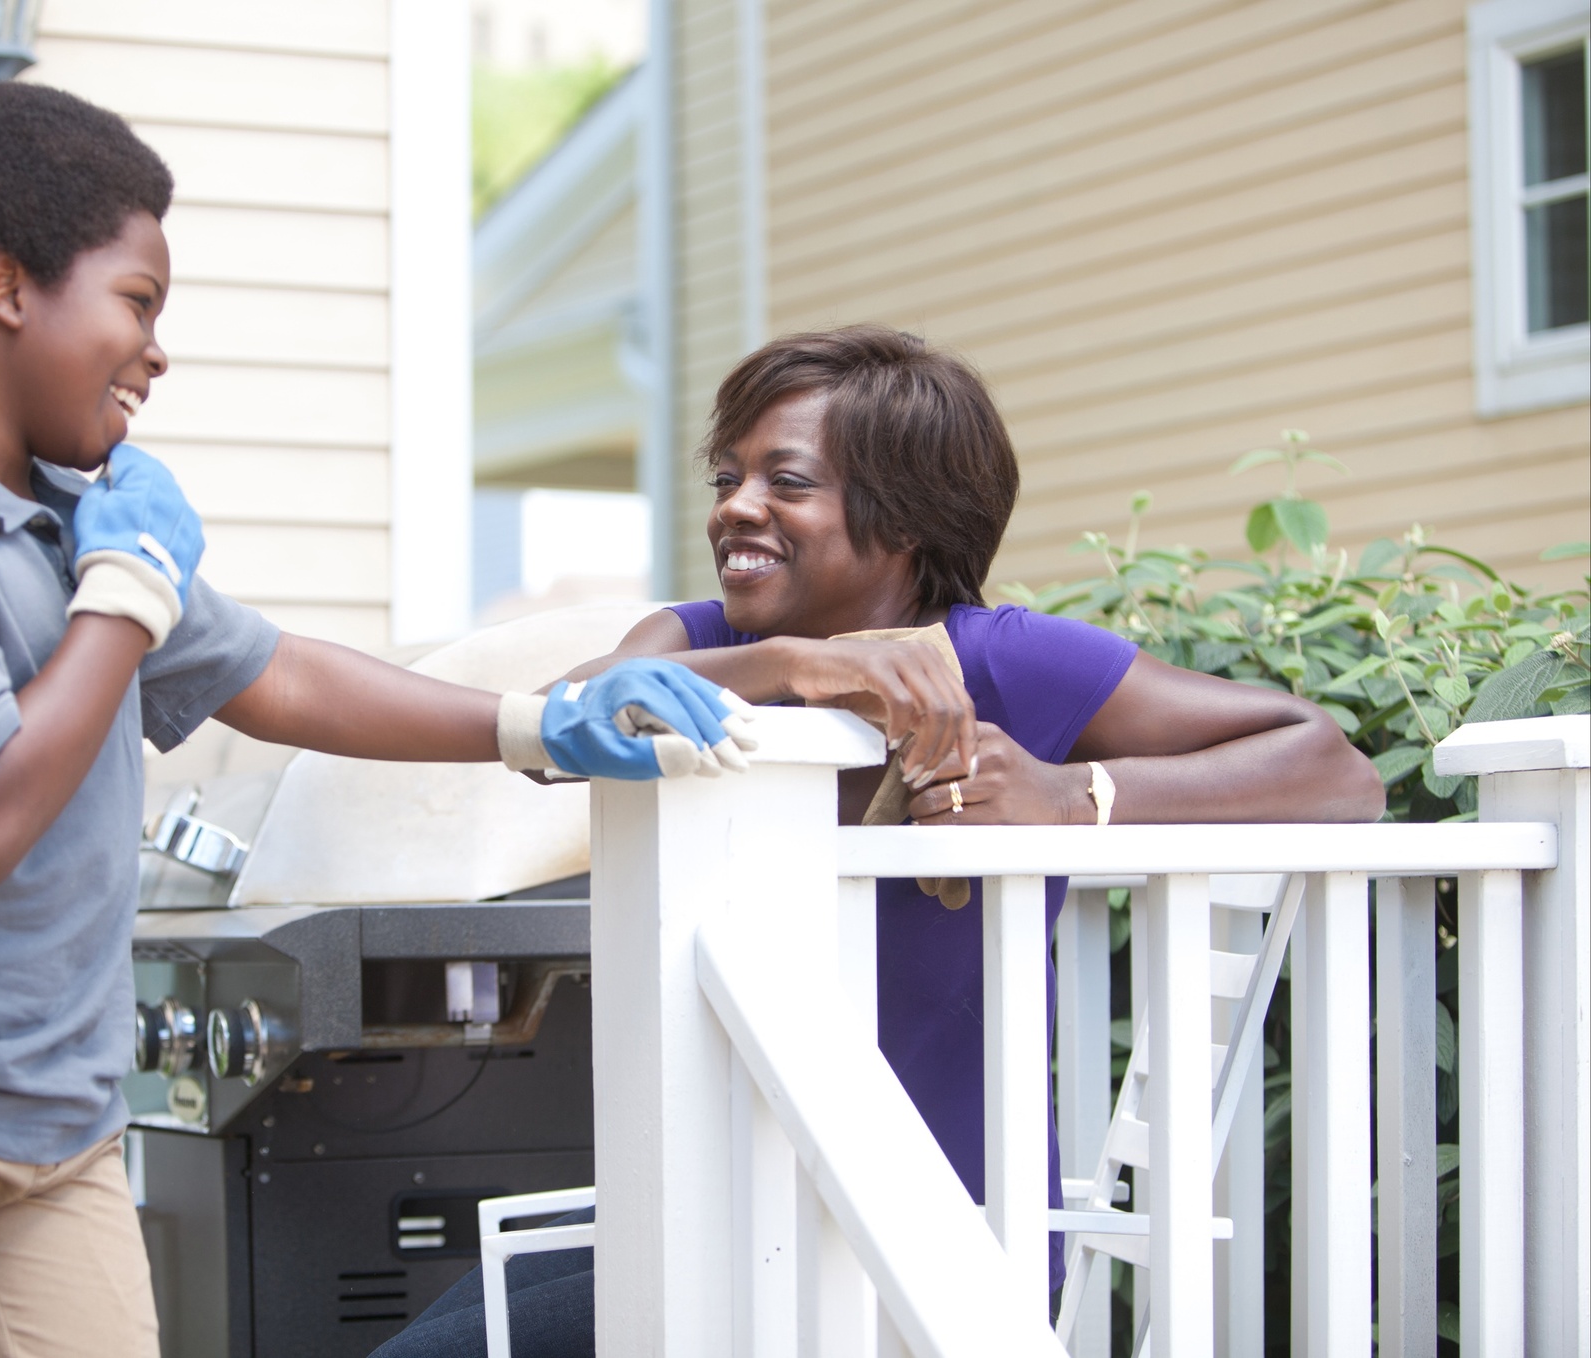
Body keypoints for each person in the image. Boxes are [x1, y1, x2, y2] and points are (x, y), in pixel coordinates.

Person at [0, 83, 800, 1358]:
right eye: (137, 301)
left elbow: (283, 677)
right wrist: (125, 595)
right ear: (6, 286)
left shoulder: (69, 520)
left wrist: (540, 720)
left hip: (49, 1117)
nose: (156, 349)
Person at [370, 326, 1383, 1354]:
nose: (734, 504)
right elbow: (554, 728)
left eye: (786, 480)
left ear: (901, 518)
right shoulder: (697, 642)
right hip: (723, 1217)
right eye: (727, 475)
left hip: (926, 1241)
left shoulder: (1000, 661)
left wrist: (1068, 793)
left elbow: (1334, 768)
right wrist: (786, 665)